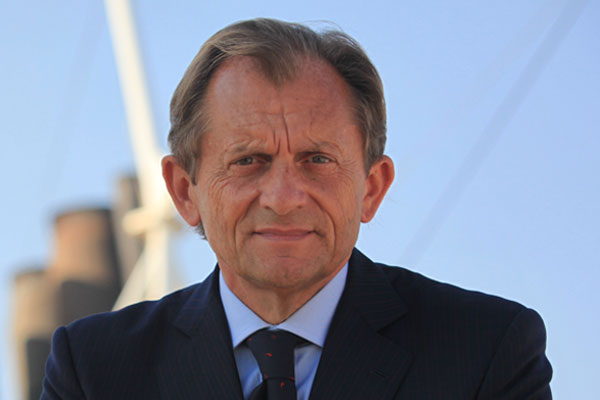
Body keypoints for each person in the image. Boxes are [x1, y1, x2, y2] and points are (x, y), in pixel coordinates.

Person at [42, 18, 552, 399]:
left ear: (372, 188)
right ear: (184, 191)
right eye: (248, 161)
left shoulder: (487, 352)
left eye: (318, 160)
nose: (284, 198)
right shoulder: (93, 371)